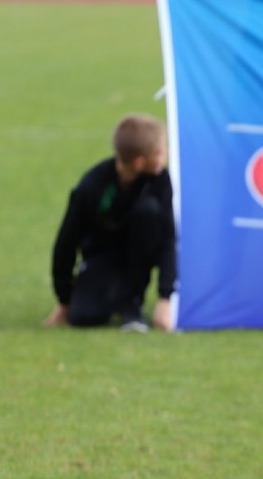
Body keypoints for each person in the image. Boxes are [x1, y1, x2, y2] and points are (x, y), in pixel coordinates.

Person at [44, 113, 177, 333]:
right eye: (159, 153)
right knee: (84, 317)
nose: (165, 157)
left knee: (148, 212)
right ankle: (111, 292)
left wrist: (165, 298)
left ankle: (133, 303)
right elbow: (65, 243)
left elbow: (168, 238)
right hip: (103, 255)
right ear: (139, 162)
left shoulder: (160, 180)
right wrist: (64, 300)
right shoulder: (90, 188)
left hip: (142, 252)